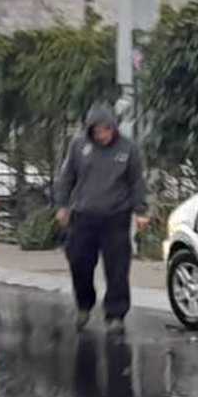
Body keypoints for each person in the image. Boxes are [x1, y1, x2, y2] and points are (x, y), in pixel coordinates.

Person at [54, 105, 150, 333]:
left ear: (113, 128)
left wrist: (141, 210)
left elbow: (137, 181)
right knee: (79, 263)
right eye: (97, 132)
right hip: (84, 216)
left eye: (106, 131)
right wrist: (62, 205)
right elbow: (67, 177)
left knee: (117, 268)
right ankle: (84, 305)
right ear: (90, 131)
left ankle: (115, 314)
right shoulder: (79, 146)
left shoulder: (128, 149)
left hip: (115, 216)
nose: (102, 136)